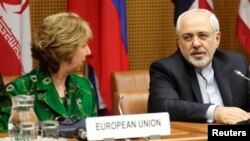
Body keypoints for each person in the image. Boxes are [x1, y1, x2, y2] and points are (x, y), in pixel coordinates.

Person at [148, 9, 250, 125]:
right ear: (179, 43)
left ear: (217, 39)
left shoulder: (236, 63)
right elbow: (163, 106)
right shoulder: (165, 69)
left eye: (202, 36)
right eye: (187, 37)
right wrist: (214, 112)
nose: (196, 44)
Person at [0, 12, 97, 132]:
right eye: (83, 46)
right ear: (65, 49)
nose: (89, 51)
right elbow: (5, 137)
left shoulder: (85, 86)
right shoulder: (18, 91)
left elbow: (95, 134)